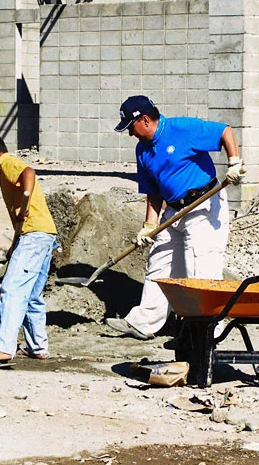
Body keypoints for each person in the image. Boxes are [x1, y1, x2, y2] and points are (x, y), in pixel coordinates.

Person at [104, 95, 245, 340]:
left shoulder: (181, 128)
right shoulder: (143, 150)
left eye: (131, 128)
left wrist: (234, 163)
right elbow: (153, 191)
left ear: (145, 120)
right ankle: (145, 323)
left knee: (200, 268)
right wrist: (149, 225)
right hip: (173, 210)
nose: (130, 134)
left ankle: (207, 331)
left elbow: (225, 131)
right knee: (159, 261)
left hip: (203, 206)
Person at [0, 131, 58, 366]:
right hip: (42, 234)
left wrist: (25, 201)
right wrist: (15, 243)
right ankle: (37, 347)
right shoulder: (6, 165)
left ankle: (2, 348)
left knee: (12, 289)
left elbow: (29, 172)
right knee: (32, 295)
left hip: (35, 236)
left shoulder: (6, 163)